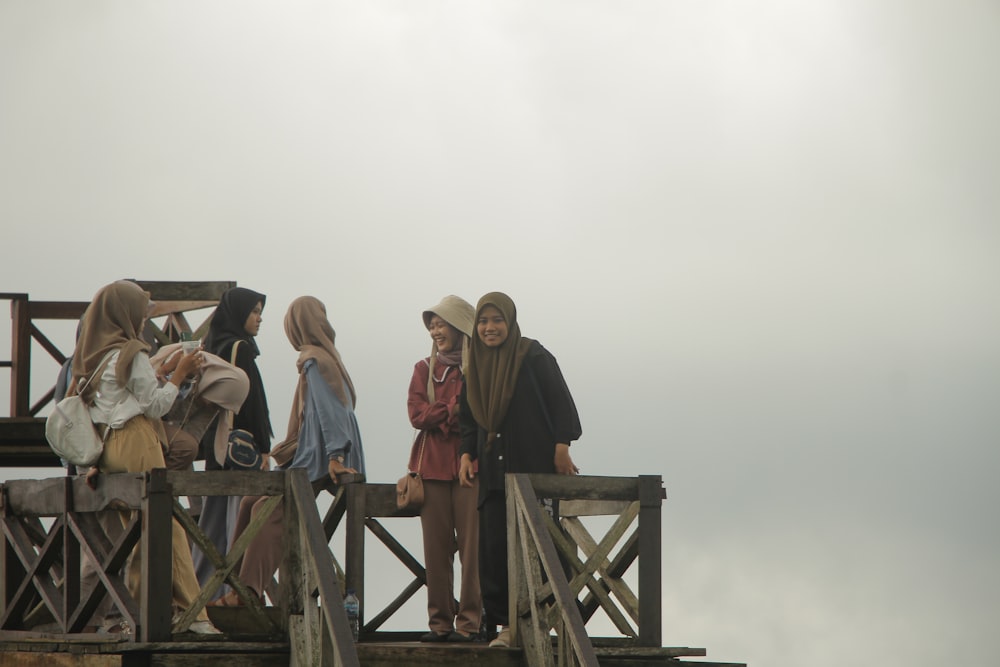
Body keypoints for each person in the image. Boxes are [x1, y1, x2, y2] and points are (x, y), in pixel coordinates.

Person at [75, 280, 221, 635]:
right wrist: (182, 373)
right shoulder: (132, 351)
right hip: (137, 441)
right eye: (141, 311)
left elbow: (114, 400)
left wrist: (163, 371)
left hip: (108, 451)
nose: (144, 319)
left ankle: (144, 614)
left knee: (140, 533)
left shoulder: (95, 354)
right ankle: (193, 616)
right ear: (126, 312)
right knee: (167, 527)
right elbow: (154, 405)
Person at [211, 295, 365, 607]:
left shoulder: (316, 362)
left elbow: (331, 412)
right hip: (315, 452)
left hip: (323, 457)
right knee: (251, 503)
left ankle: (249, 593)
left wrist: (336, 456)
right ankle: (235, 586)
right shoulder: (325, 358)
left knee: (271, 510)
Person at [458, 292, 582, 648]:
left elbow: (560, 400)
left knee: (540, 544)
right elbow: (467, 419)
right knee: (495, 550)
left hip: (533, 468)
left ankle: (550, 619)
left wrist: (562, 445)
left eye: (497, 321)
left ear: (510, 323)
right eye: (483, 321)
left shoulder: (533, 355)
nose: (489, 328)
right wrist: (467, 454)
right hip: (494, 475)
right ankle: (507, 627)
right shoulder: (475, 366)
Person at [407, 295, 481, 642]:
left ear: (458, 327)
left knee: (473, 550)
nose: (435, 330)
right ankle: (439, 625)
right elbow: (417, 416)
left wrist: (443, 409)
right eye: (432, 325)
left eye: (441, 324)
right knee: (435, 551)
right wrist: (454, 409)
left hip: (472, 469)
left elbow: (480, 414)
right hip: (432, 470)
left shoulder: (480, 368)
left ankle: (470, 625)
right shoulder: (424, 368)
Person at [191, 286, 273, 591]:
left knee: (211, 525)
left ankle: (200, 592)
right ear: (239, 314)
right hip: (241, 448)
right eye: (254, 312)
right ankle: (231, 593)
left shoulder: (212, 346)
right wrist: (264, 447)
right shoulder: (241, 348)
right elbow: (252, 403)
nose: (259, 318)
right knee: (238, 521)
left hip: (216, 447)